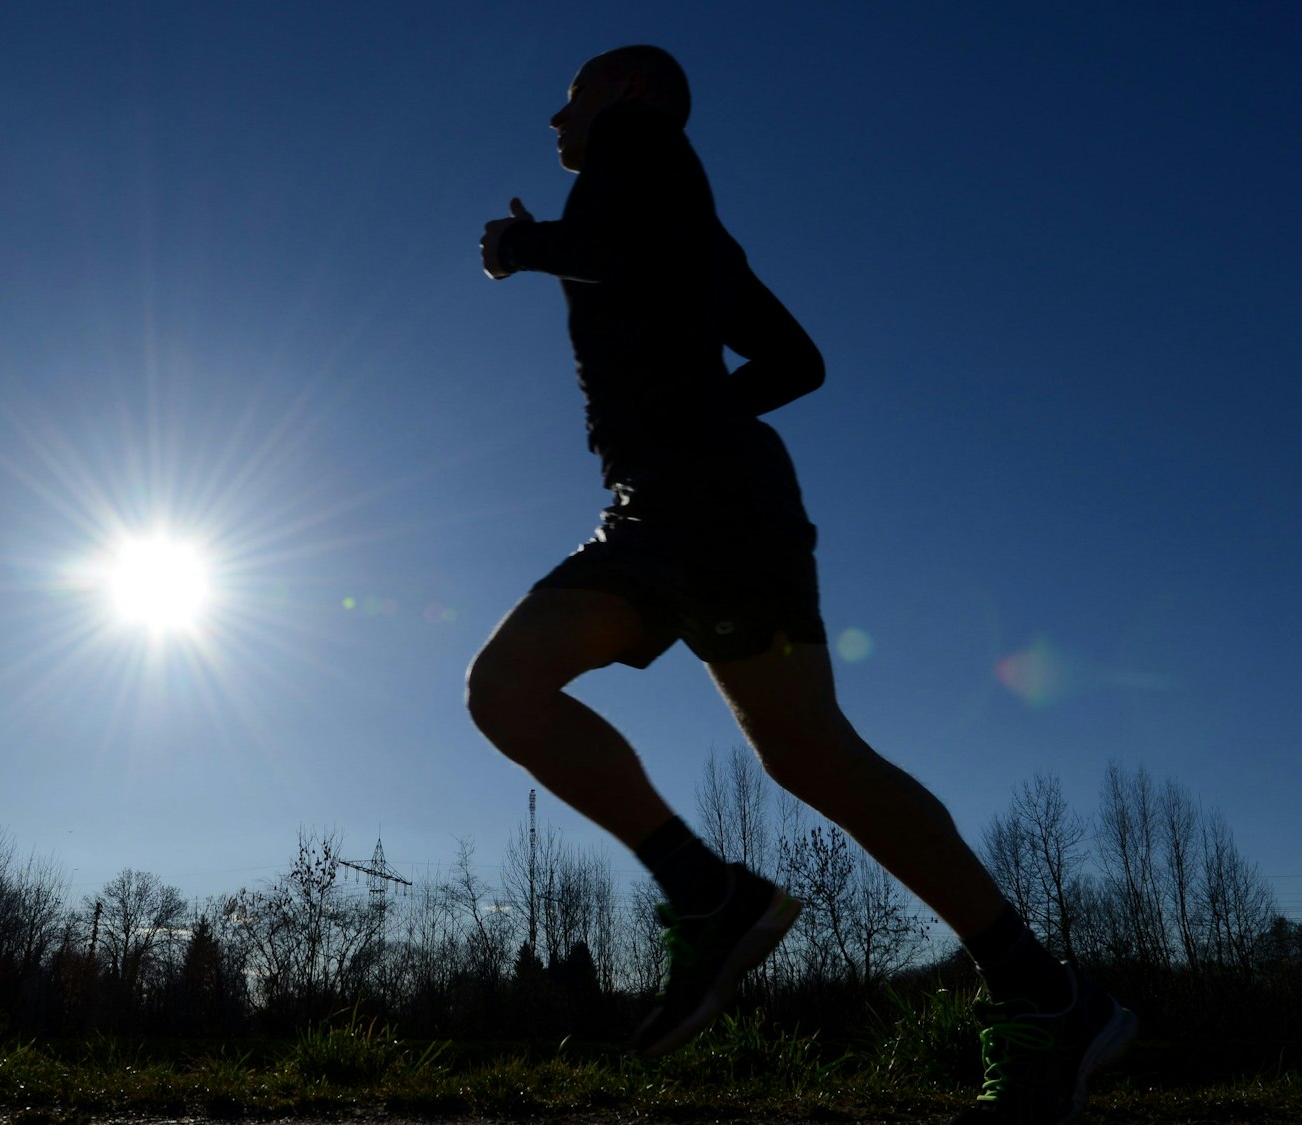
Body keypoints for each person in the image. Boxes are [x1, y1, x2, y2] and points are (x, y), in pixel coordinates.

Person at [467, 45, 1136, 1123]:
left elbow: (616, 253)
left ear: (629, 92)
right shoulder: (689, 215)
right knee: (796, 750)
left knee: (521, 691)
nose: (555, 116)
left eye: (574, 91)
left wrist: (521, 246)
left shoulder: (635, 156)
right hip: (695, 501)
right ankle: (1024, 988)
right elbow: (793, 358)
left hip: (694, 504)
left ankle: (729, 901)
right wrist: (702, 415)